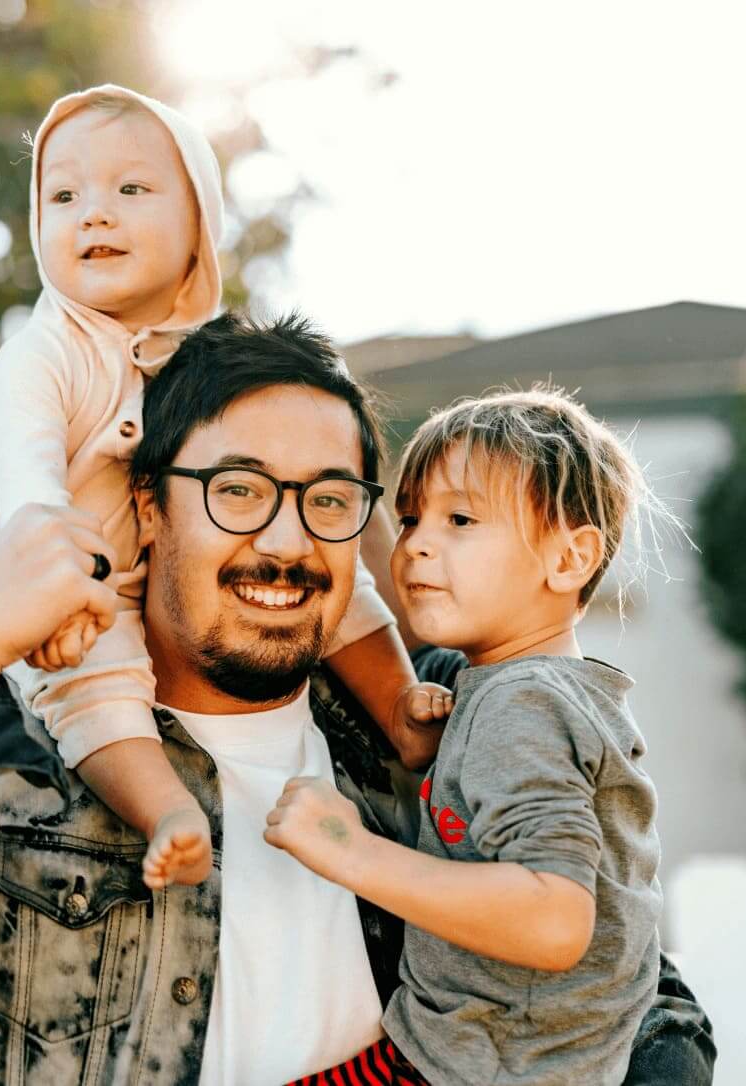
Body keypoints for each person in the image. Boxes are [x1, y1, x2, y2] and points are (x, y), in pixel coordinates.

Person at [0, 313, 715, 1084]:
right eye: (238, 489)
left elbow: (623, 979)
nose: (286, 542)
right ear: (148, 507)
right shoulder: (8, 762)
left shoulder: (423, 729)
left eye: (328, 500)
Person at [0, 85, 448, 891]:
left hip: (149, 575)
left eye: (130, 190)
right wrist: (55, 598)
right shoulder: (43, 355)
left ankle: (400, 709)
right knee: (97, 689)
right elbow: (28, 493)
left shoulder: (212, 361)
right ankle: (166, 809)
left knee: (338, 576)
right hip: (71, 593)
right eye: (63, 196)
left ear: (199, 224)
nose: (94, 214)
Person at [270, 389, 678, 1084]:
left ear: (570, 559)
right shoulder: (540, 691)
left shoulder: (520, 704)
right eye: (409, 517)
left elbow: (555, 919)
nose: (418, 542)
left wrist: (349, 851)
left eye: (460, 518)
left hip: (474, 1066)